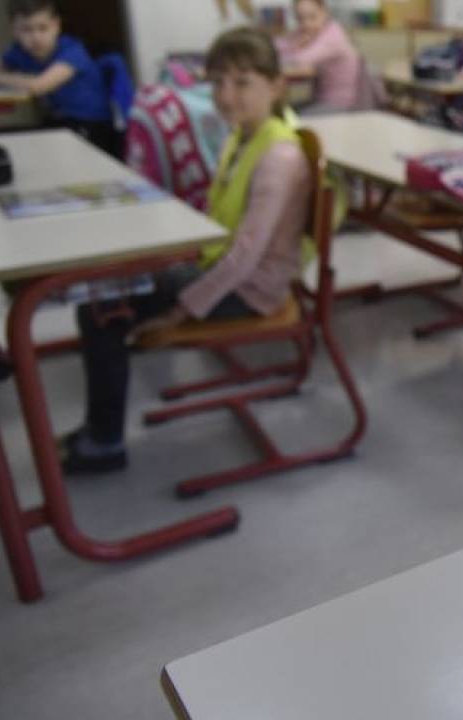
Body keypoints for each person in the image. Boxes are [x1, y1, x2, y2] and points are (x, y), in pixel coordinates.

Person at [60, 27, 312, 474]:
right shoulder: (244, 135)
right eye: (218, 82)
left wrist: (181, 311)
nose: (226, 96)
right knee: (108, 288)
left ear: (276, 86)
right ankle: (102, 430)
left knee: (101, 311)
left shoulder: (278, 156)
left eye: (242, 83)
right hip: (221, 269)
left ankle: (104, 441)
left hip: (250, 290)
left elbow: (244, 258)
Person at [0, 0, 119, 156]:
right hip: (59, 122)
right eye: (26, 30)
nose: (36, 37)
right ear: (14, 30)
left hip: (91, 125)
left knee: (15, 145)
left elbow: (39, 86)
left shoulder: (72, 50)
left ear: (56, 26)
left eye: (43, 28)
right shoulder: (20, 52)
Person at [275, 0, 362, 113]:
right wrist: (293, 44)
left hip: (340, 102)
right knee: (283, 112)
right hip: (320, 99)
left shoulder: (333, 35)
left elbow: (300, 60)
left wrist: (295, 46)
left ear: (324, 12)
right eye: (300, 19)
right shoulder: (314, 32)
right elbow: (276, 46)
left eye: (312, 17)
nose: (306, 24)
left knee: (289, 117)